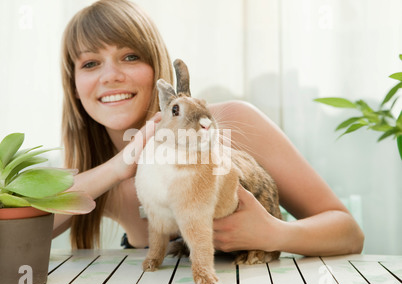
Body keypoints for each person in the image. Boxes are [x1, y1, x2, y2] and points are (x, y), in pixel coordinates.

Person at [54, 0, 364, 256]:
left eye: (130, 56)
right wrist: (118, 168)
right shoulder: (96, 176)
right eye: (90, 63)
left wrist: (274, 234)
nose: (111, 76)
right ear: (75, 86)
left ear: (156, 70)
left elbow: (348, 233)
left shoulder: (231, 123)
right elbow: (12, 239)